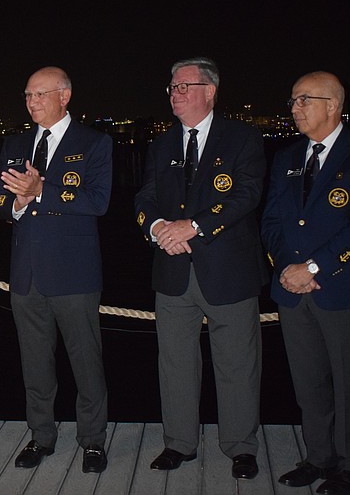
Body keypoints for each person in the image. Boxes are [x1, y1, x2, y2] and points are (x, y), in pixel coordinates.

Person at [134, 57, 267, 479]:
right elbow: (145, 198)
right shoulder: (161, 144)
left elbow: (246, 195)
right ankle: (179, 443)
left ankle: (241, 448)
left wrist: (192, 227)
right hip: (172, 270)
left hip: (228, 270)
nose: (175, 93)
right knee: (174, 363)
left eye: (183, 86)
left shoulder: (243, 138)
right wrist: (157, 229)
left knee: (237, 364)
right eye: (172, 87)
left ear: (210, 91)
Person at [262, 71, 350, 495]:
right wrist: (286, 267)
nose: (294, 108)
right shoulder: (287, 158)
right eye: (294, 100)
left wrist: (312, 268)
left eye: (304, 100)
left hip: (345, 290)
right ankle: (318, 457)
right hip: (292, 291)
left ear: (333, 105)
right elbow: (274, 221)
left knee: (349, 382)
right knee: (308, 381)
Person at [0, 66, 112, 473]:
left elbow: (98, 201)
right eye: (27, 95)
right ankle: (41, 436)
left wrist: (40, 190)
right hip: (26, 275)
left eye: (40, 94)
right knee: (35, 363)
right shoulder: (15, 143)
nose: (32, 102)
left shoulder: (94, 143)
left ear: (65, 96)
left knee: (85, 362)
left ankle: (92, 441)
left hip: (74, 275)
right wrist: (17, 204)